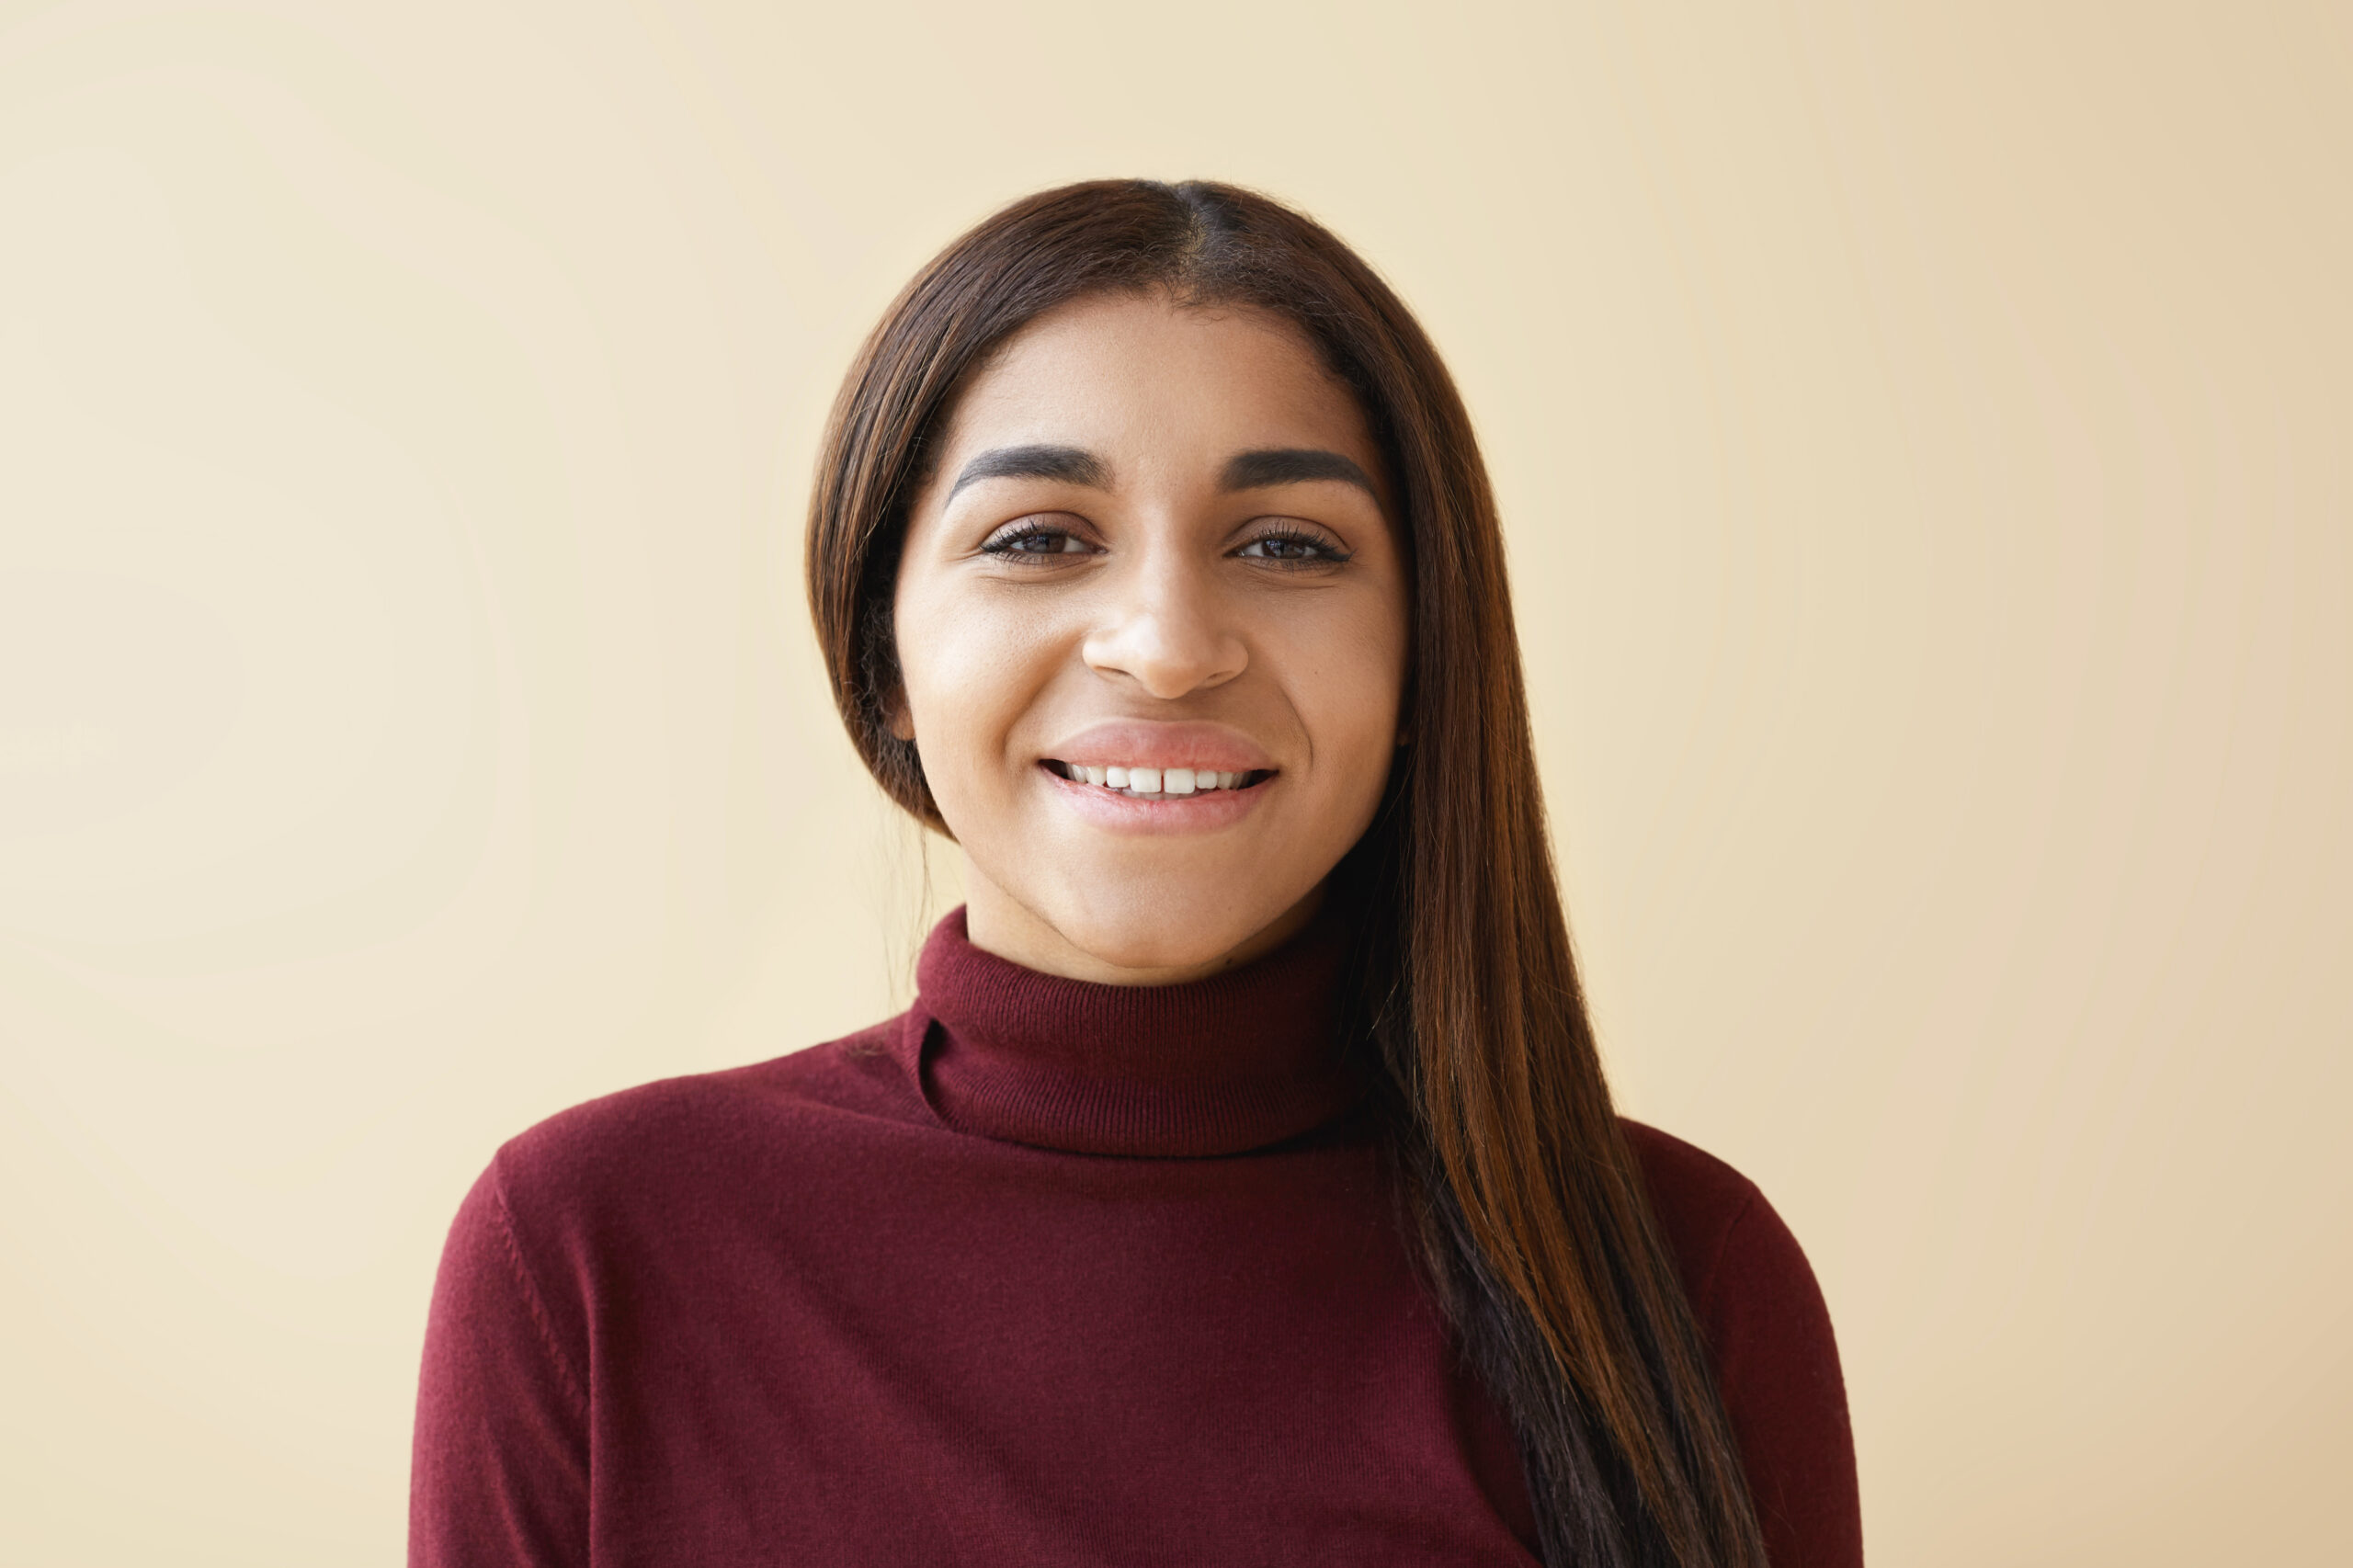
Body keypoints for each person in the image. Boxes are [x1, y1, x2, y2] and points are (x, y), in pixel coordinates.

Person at [410, 180, 1862, 1567]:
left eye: (1287, 544)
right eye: (1040, 538)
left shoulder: (1686, 1281)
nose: (1166, 646)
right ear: (884, 656)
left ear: (1424, 654)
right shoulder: (587, 1255)